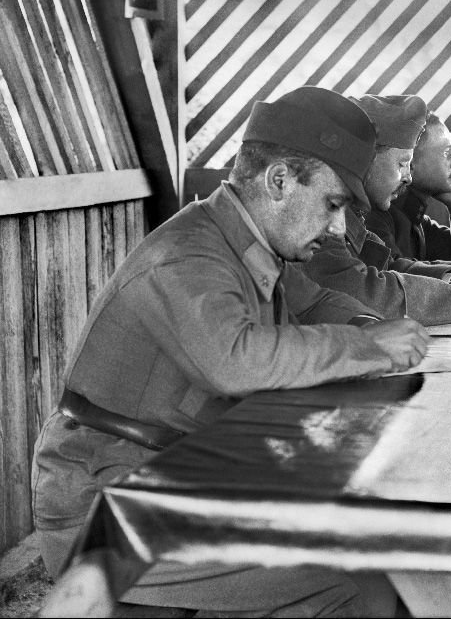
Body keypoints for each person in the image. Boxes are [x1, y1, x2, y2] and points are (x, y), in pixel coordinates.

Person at [32, 86, 428, 616]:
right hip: (109, 499)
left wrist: (370, 325)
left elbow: (316, 303)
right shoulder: (186, 254)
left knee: (364, 535)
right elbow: (234, 360)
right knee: (350, 575)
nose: (338, 226)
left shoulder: (249, 244)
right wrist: (368, 346)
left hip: (177, 474)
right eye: (333, 204)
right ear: (279, 181)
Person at [303, 94, 451, 325]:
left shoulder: (353, 216)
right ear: (366, 160)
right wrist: (447, 296)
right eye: (402, 163)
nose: (409, 177)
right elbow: (350, 285)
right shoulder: (321, 216)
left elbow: (386, 265)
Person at [368, 110, 451, 267]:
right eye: (447, 152)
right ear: (410, 161)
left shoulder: (416, 221)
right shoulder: (375, 217)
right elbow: (393, 273)